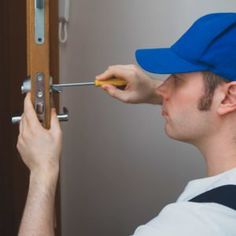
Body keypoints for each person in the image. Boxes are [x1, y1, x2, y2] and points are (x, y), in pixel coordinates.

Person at [17, 12, 236, 235]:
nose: (162, 88)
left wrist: (42, 172)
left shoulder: (194, 225)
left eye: (178, 79)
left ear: (229, 98)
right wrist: (151, 90)